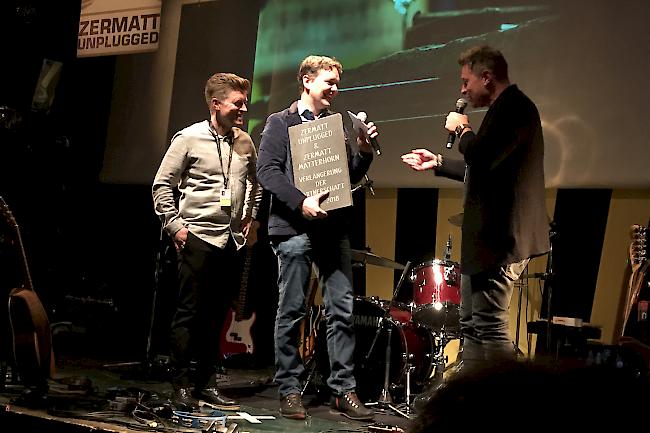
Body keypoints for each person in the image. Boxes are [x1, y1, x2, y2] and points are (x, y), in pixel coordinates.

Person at [401, 45, 550, 373]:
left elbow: (480, 156)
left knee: (489, 326)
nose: (463, 89)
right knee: (471, 326)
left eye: (466, 81)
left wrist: (462, 129)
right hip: (485, 241)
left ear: (487, 77)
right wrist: (438, 163)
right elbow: (485, 169)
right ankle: (470, 402)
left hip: (501, 240)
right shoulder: (505, 109)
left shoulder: (515, 108)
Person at [256, 55, 378, 420]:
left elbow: (345, 180)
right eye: (329, 82)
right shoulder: (280, 122)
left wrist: (365, 152)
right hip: (293, 230)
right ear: (307, 81)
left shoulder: (335, 127)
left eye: (337, 83)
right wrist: (300, 202)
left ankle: (343, 389)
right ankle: (290, 389)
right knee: (291, 311)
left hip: (333, 230)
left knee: (342, 310)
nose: (335, 90)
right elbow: (266, 171)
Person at [152, 72, 261, 411]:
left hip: (231, 241)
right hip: (197, 236)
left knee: (216, 316)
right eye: (237, 103)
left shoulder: (245, 142)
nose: (243, 109)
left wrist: (252, 218)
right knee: (190, 314)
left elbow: (256, 185)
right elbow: (161, 185)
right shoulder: (188, 138)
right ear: (216, 105)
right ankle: (182, 384)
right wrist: (175, 227)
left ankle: (206, 382)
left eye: (245, 103)